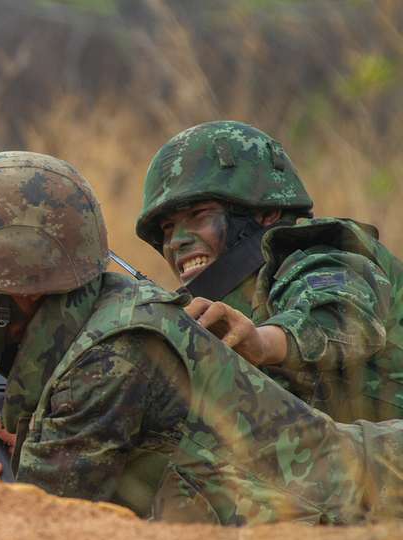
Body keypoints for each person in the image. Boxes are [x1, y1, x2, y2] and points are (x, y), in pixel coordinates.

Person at [0, 151, 402, 526]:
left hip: (362, 497)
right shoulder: (93, 302)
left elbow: (39, 530)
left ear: (17, 281)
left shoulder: (112, 353)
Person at [135, 120, 403, 422]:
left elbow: (342, 314)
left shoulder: (320, 255)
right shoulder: (215, 309)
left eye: (198, 215)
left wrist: (263, 343)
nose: (176, 241)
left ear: (267, 213)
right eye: (167, 228)